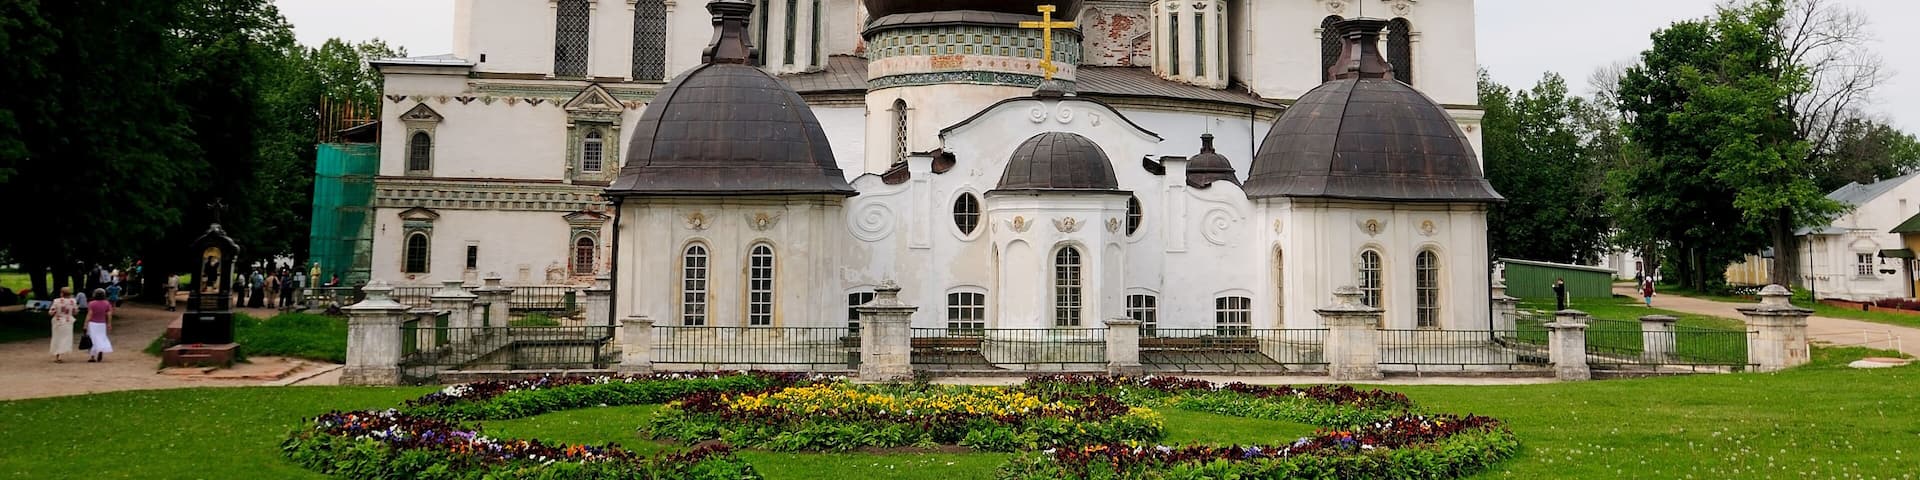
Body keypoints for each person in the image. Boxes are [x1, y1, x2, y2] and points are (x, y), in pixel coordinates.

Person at [49, 288, 78, 363]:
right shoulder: (73, 301)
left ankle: (58, 355)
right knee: (65, 338)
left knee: (57, 337)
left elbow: (51, 312)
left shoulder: (57, 301)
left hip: (58, 321)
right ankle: (61, 352)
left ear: (62, 293)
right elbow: (75, 312)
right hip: (68, 321)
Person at [85, 288, 114, 363]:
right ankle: (100, 350)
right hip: (102, 323)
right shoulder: (107, 303)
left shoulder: (91, 303)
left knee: (93, 339)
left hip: (92, 323)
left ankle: (92, 356)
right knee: (101, 337)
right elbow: (109, 314)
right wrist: (109, 323)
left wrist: (85, 324)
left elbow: (89, 314)